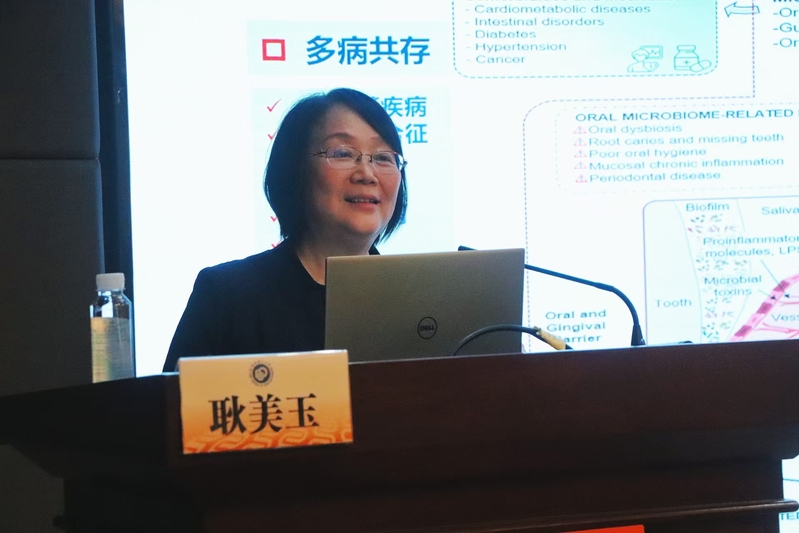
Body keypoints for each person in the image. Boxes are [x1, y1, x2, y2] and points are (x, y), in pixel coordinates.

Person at [162, 88, 408, 372]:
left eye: (383, 157)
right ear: (295, 169)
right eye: (342, 153)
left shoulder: (413, 301)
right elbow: (172, 400)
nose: (366, 174)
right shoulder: (227, 296)